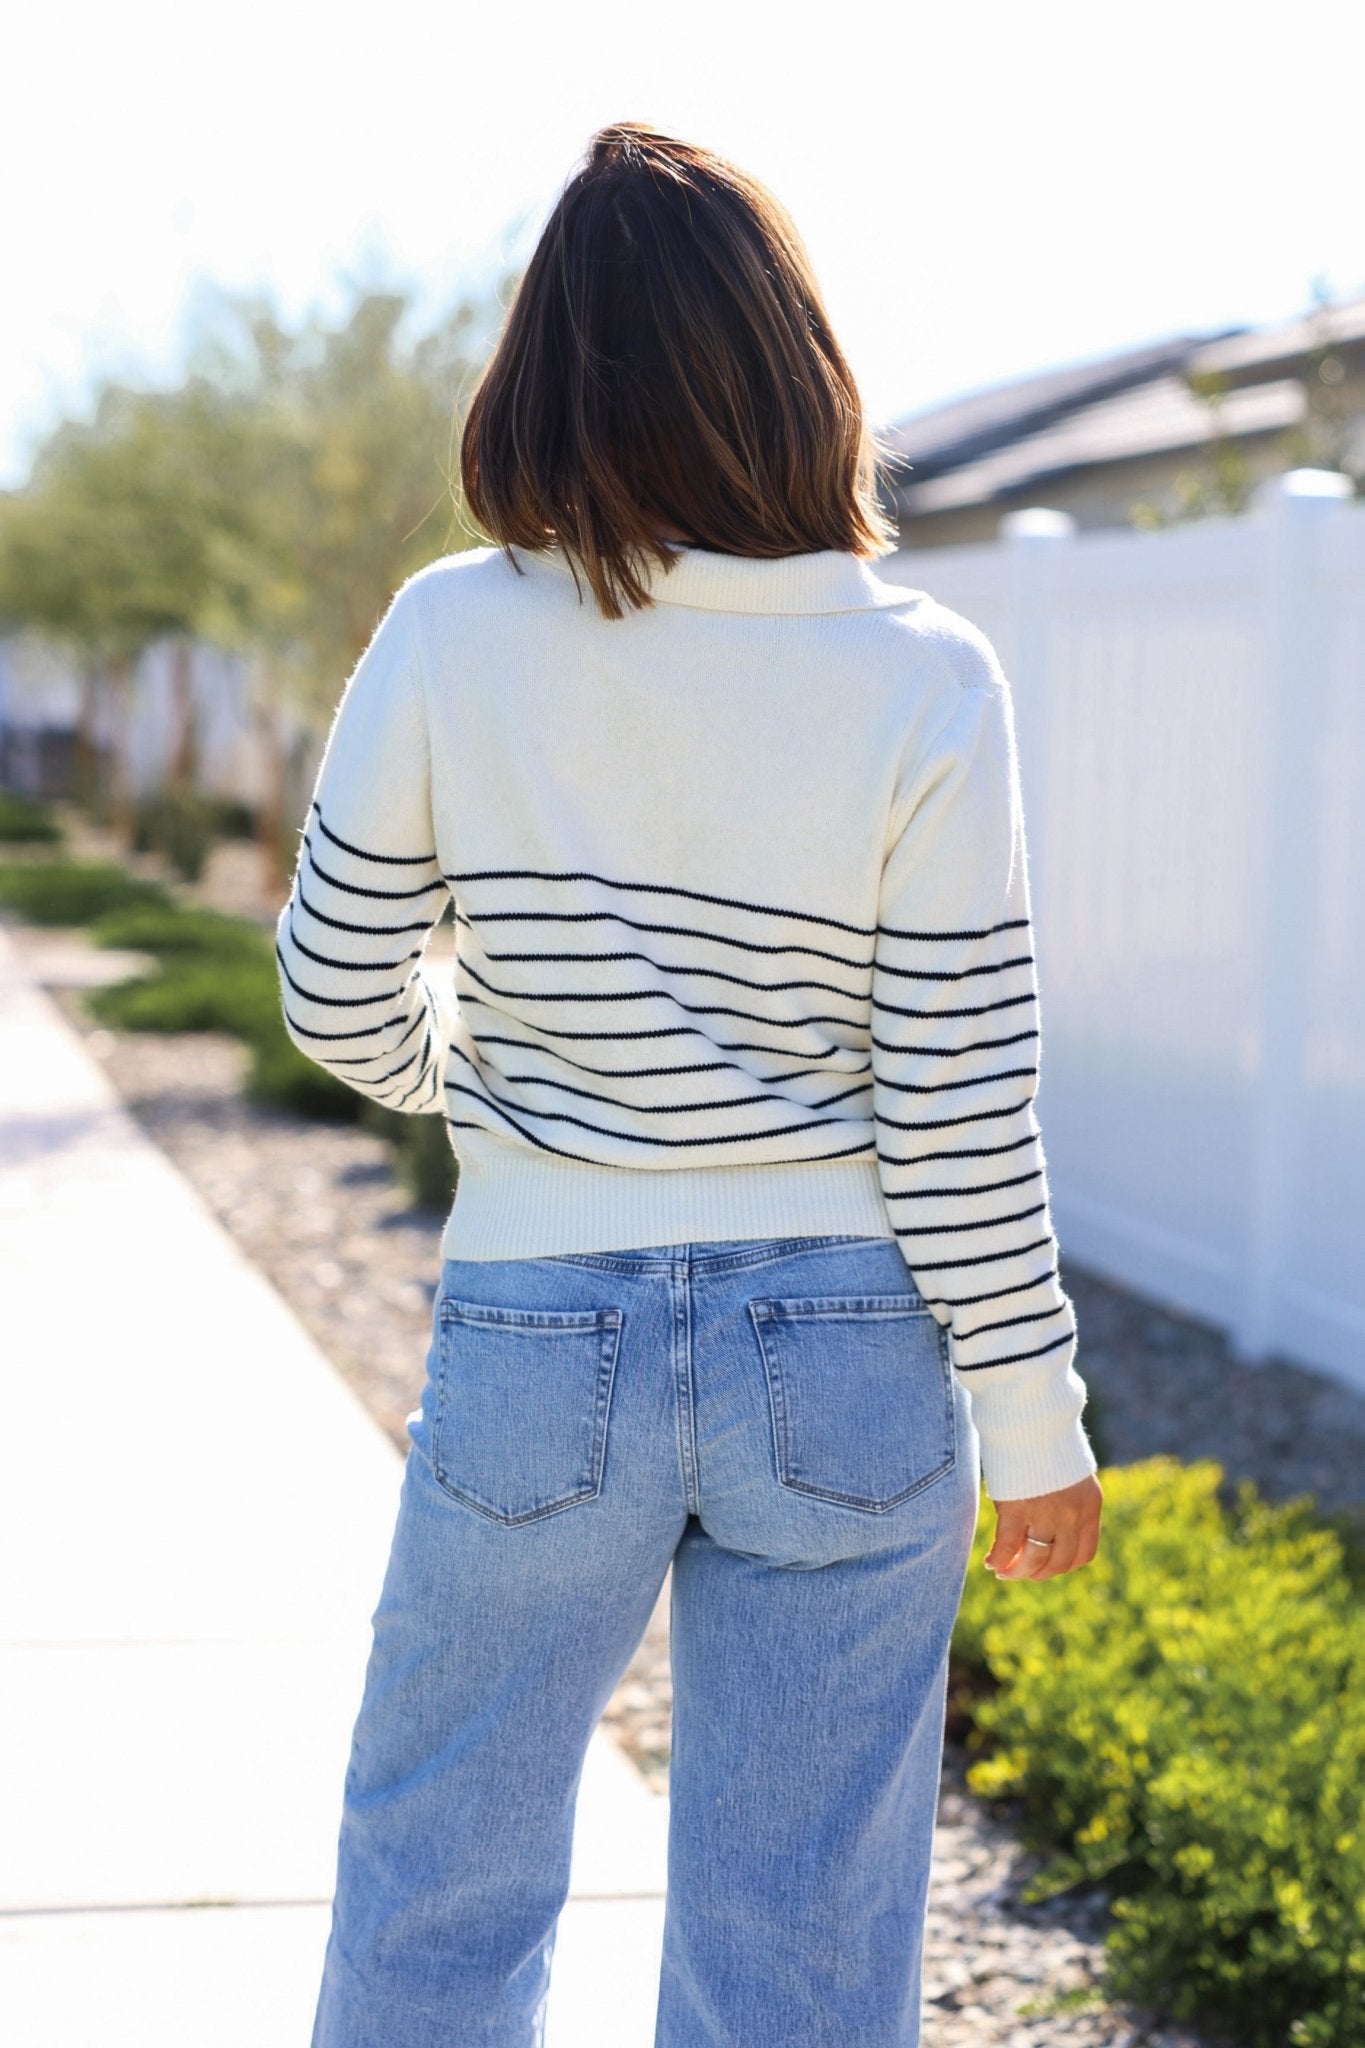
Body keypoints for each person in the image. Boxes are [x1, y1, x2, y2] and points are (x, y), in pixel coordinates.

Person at [282, 119, 1103, 2048]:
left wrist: (485, 1096)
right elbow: (957, 1090)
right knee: (803, 1931)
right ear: (794, 367)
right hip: (846, 1341)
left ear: (541, 367)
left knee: (437, 1885)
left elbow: (337, 996)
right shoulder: (924, 672)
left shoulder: (449, 633)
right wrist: (1034, 1417)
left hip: (534, 1337)